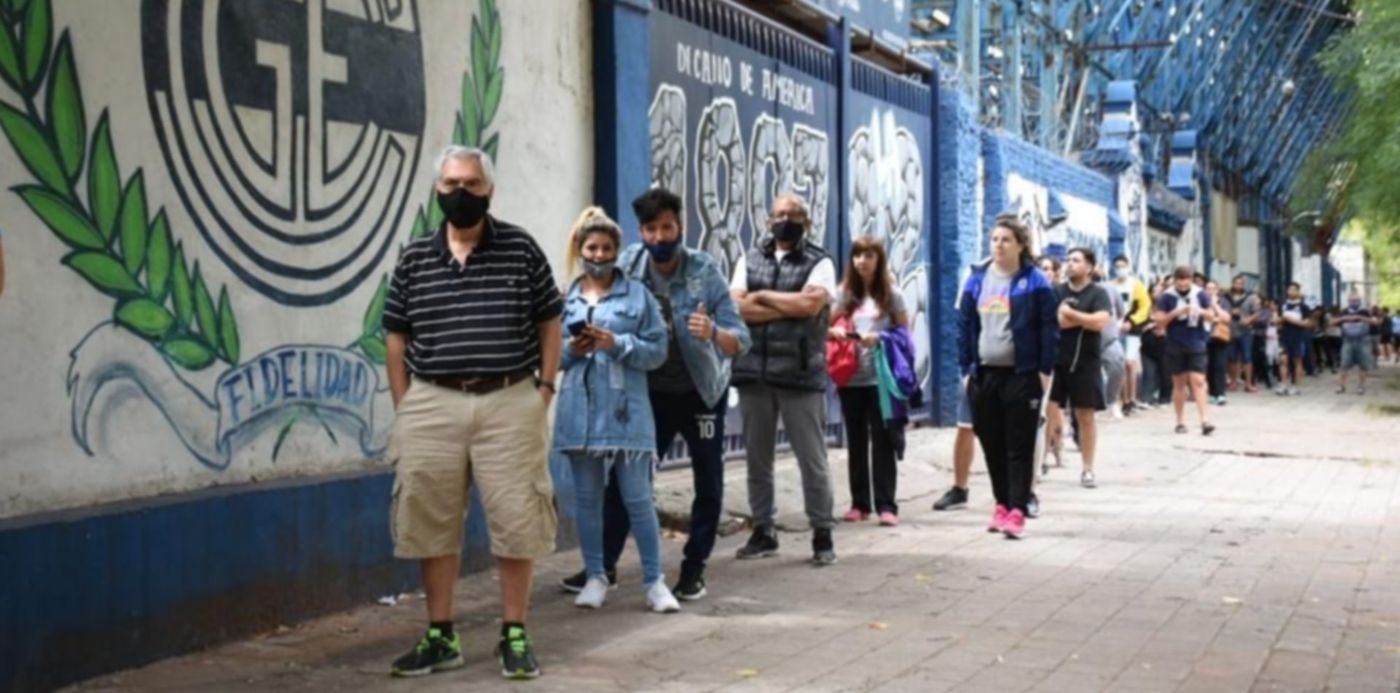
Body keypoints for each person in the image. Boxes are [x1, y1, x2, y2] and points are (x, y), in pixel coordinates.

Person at [382, 146, 562, 680]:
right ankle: (440, 635)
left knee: (516, 518)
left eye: (472, 183)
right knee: (431, 518)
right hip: (432, 402)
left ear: (490, 190)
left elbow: (549, 320)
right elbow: (396, 337)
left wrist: (544, 389)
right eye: (452, 182)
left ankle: (514, 633)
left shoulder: (521, 249)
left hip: (509, 399)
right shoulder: (415, 258)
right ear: (438, 189)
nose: (461, 192)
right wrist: (406, 403)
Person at [558, 189, 751, 602]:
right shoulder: (626, 264)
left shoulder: (705, 271)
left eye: (668, 227)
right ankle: (602, 567)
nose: (660, 236)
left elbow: (742, 339)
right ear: (640, 232)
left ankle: (693, 567)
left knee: (708, 481)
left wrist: (713, 332)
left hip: (701, 391)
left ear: (680, 227)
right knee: (627, 483)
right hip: (649, 392)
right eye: (651, 228)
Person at [553, 207, 678, 613]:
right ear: (580, 249)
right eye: (592, 247)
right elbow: (551, 359)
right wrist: (574, 350)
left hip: (626, 412)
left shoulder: (637, 296)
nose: (600, 255)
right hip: (580, 413)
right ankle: (595, 576)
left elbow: (658, 351)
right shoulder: (566, 299)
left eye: (607, 248)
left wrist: (617, 344)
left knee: (637, 498)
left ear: (617, 252)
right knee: (587, 500)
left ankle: (654, 581)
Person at [730, 194, 839, 565]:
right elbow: (735, 308)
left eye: (792, 215)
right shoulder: (750, 257)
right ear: (767, 220)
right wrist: (785, 304)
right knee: (757, 459)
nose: (785, 220)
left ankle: (822, 533)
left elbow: (811, 307)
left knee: (812, 459)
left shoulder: (819, 261)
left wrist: (760, 296)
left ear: (805, 222)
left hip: (799, 374)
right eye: (779, 215)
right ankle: (763, 531)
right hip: (752, 372)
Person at [958, 215, 1058, 540]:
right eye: (995, 239)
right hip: (984, 376)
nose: (998, 245)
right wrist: (965, 370)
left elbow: (1048, 327)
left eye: (1006, 240)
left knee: (1019, 445)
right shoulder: (975, 280)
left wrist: (1044, 371)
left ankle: (1017, 510)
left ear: (1020, 245)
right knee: (992, 444)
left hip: (1022, 375)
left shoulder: (1035, 280)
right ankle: (1001, 504)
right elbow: (963, 326)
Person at [832, 237, 910, 526]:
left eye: (868, 255)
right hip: (850, 379)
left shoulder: (893, 295)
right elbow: (824, 327)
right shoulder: (843, 295)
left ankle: (887, 505)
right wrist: (835, 331)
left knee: (883, 440)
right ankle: (859, 503)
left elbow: (905, 336)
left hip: (881, 380)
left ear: (879, 260)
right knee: (856, 441)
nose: (862, 261)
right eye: (857, 256)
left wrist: (881, 338)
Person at [1046, 248, 1111, 489]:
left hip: (1086, 362)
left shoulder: (1098, 293)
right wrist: (1082, 319)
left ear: (1089, 267)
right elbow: (1055, 322)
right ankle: (1042, 461)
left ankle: (1088, 468)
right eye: (1068, 259)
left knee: (1086, 416)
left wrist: (1071, 313)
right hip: (1055, 360)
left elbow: (1100, 322)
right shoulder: (1056, 292)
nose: (1070, 264)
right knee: (1048, 413)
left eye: (1076, 260)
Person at [1153, 266, 1215, 435]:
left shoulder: (1200, 294)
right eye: (1179, 279)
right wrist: (1176, 312)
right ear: (1175, 279)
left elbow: (1211, 315)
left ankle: (1204, 420)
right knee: (1179, 383)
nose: (1182, 283)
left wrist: (1199, 311)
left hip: (1196, 341)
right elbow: (1159, 321)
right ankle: (1180, 421)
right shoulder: (1167, 297)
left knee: (1198, 381)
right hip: (1175, 342)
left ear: (1191, 279)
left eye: (1186, 279)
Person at [1098, 267, 1128, 420]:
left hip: (1109, 338)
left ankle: (1112, 401)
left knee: (1117, 366)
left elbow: (1121, 312)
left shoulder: (1110, 289)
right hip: (1084, 341)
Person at [1333, 293, 1377, 395]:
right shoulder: (1344, 312)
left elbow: (1375, 322)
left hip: (1363, 340)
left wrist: (1361, 318)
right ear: (1348, 301)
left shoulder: (1365, 311)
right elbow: (1331, 322)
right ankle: (1341, 386)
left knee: (1363, 364)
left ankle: (1361, 387)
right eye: (1352, 301)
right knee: (1344, 364)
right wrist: (1344, 319)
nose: (1354, 303)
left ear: (1360, 301)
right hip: (1348, 340)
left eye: (1356, 301)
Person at [1225, 274, 1261, 392]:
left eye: (1241, 283)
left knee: (1247, 357)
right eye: (1236, 283)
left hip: (1246, 331)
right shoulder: (1225, 297)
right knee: (1231, 358)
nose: (1238, 285)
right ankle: (1233, 382)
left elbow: (1257, 313)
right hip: (1230, 330)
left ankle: (1248, 383)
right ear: (1232, 284)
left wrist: (1248, 320)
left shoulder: (1251, 297)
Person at [1276, 282, 1313, 396]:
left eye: (1293, 290)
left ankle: (1295, 386)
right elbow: (1276, 320)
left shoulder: (1304, 307)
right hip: (1284, 337)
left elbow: (1306, 324)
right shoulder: (1283, 305)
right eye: (1289, 289)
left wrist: (1290, 320)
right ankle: (1283, 385)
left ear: (1298, 292)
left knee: (1297, 361)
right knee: (1283, 360)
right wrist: (1281, 320)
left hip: (1298, 338)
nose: (1290, 292)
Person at [1204, 281, 1232, 405]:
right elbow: (1202, 317)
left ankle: (1220, 393)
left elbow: (1226, 318)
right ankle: (1212, 392)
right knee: (1209, 366)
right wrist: (1214, 318)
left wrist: (1215, 305)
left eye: (1212, 289)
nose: (1210, 291)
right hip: (1205, 337)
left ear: (1217, 290)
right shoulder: (1201, 301)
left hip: (1220, 337)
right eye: (1208, 288)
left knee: (1220, 365)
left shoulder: (1223, 302)